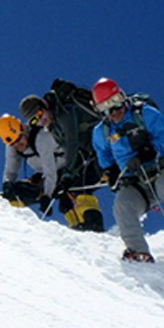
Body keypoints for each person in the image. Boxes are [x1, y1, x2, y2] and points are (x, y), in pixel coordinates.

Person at [91, 77, 164, 262]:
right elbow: (104, 157)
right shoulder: (102, 132)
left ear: (122, 97)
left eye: (115, 103)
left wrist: (149, 151)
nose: (114, 111)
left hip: (160, 170)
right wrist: (112, 172)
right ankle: (138, 252)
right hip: (136, 182)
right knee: (122, 204)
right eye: (106, 108)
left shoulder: (145, 113)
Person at [0, 114, 105, 230]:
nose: (18, 146)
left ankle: (92, 225)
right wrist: (7, 184)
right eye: (13, 144)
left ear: (23, 129)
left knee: (76, 193)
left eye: (19, 139)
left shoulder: (41, 138)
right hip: (51, 174)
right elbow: (11, 170)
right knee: (20, 191)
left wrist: (47, 196)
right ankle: (5, 219)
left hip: (73, 167)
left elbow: (50, 171)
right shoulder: (12, 146)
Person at [18, 91, 104, 232]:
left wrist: (68, 175)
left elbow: (72, 143)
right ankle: (80, 230)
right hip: (93, 154)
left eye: (39, 114)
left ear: (45, 105)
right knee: (66, 199)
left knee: (81, 188)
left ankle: (94, 227)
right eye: (34, 121)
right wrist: (64, 179)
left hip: (107, 150)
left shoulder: (65, 113)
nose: (40, 121)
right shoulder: (53, 126)